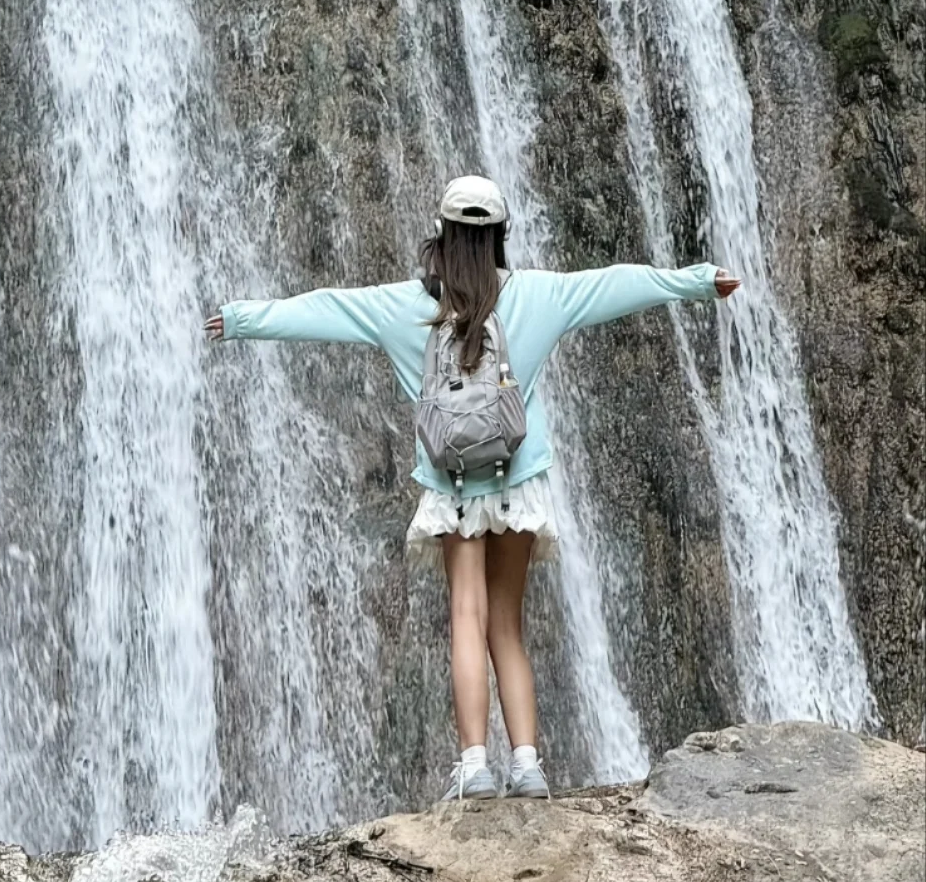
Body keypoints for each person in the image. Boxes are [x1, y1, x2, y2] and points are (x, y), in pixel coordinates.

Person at [205, 173, 740, 803]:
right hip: (518, 482)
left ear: (442, 233)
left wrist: (240, 320)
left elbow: (324, 308)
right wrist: (698, 281)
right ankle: (529, 763)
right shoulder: (536, 297)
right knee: (506, 626)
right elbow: (617, 283)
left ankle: (474, 765)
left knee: (466, 615)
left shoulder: (406, 307)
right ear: (499, 237)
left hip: (452, 486)